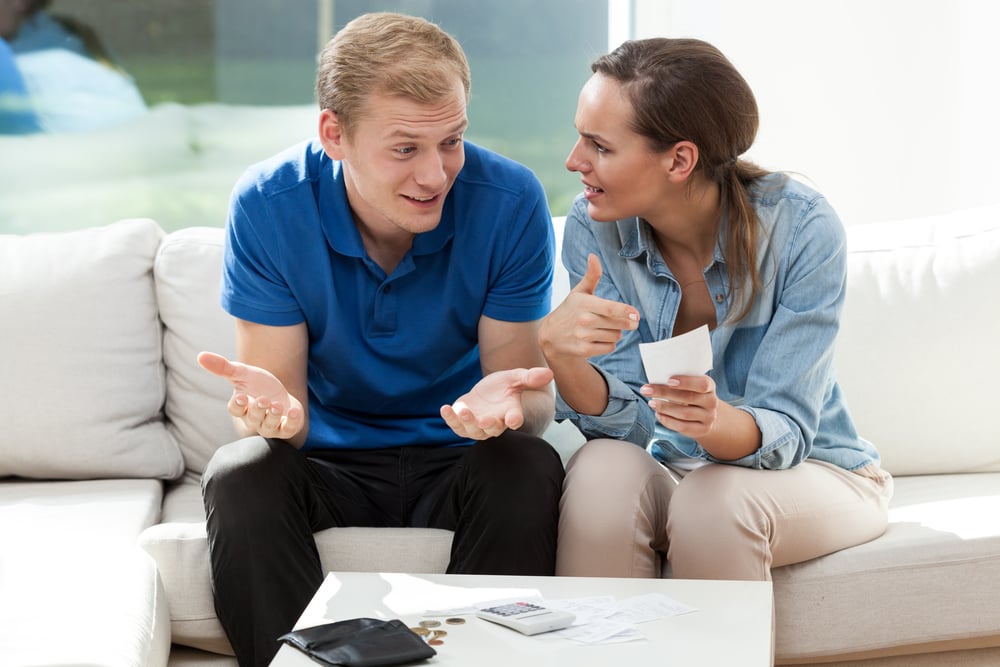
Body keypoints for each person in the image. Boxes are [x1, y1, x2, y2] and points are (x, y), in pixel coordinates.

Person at [196, 12, 564, 666]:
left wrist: (508, 405)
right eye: (405, 149)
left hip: (458, 452)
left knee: (526, 464)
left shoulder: (510, 200)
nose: (435, 175)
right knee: (241, 474)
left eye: (451, 141)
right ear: (334, 134)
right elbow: (283, 415)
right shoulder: (268, 204)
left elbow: (526, 397)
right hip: (327, 460)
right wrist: (268, 419)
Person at [540, 37, 893, 582]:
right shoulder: (595, 225)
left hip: (814, 469)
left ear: (679, 159)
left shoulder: (800, 229)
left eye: (600, 146)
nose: (573, 161)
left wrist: (713, 420)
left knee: (713, 502)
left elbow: (788, 429)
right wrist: (561, 358)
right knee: (600, 473)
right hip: (675, 467)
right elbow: (625, 425)